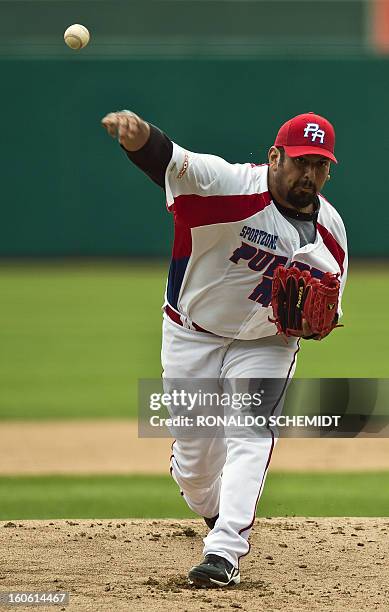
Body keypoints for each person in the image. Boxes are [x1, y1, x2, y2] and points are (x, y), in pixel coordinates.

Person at [101, 110, 348, 588]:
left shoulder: (332, 233)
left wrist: (319, 325)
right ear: (274, 157)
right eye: (300, 161)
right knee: (195, 475)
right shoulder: (227, 185)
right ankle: (213, 510)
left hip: (267, 342)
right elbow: (170, 161)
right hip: (191, 332)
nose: (309, 174)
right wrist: (139, 136)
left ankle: (225, 548)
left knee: (251, 435)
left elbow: (331, 311)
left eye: (320, 165)